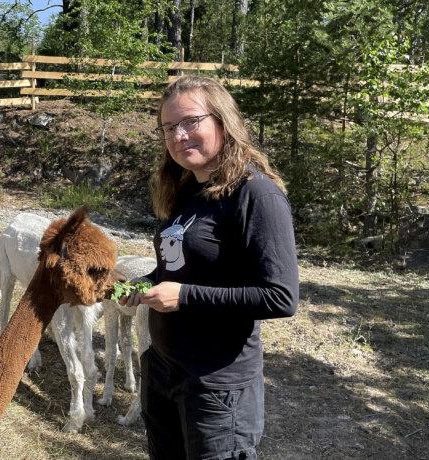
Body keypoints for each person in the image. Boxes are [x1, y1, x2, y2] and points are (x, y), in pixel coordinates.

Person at [120, 75, 299, 459]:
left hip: (217, 386)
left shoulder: (256, 193)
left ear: (222, 121)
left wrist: (184, 297)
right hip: (164, 370)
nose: (178, 136)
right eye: (169, 128)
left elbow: (281, 297)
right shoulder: (188, 190)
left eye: (190, 122)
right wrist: (144, 284)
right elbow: (176, 272)